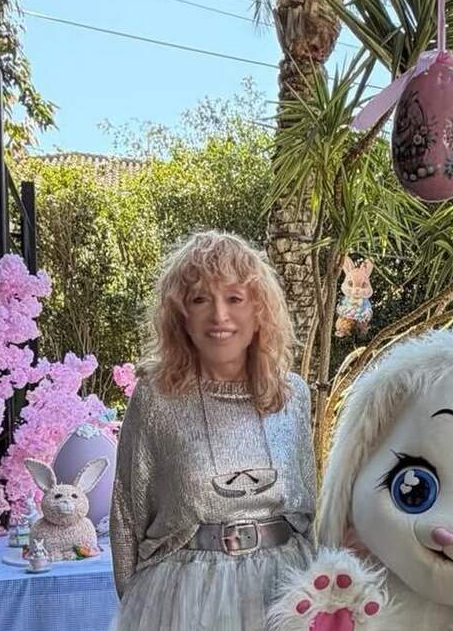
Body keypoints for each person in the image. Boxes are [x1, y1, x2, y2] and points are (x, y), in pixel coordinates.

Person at [109, 231, 316, 630]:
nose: (219, 315)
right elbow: (126, 514)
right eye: (200, 299)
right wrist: (140, 608)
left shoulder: (293, 396)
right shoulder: (156, 398)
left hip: (285, 592)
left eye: (235, 298)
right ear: (181, 315)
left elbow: (309, 513)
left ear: (259, 310)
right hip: (184, 599)